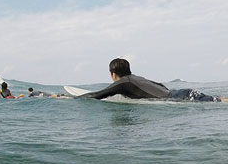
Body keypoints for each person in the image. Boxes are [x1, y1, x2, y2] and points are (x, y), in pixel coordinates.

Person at [80, 58, 223, 101]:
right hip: (181, 93)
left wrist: (66, 97)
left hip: (178, 99)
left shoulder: (122, 83)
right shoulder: (136, 78)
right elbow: (159, 85)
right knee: (219, 100)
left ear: (113, 74)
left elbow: (96, 95)